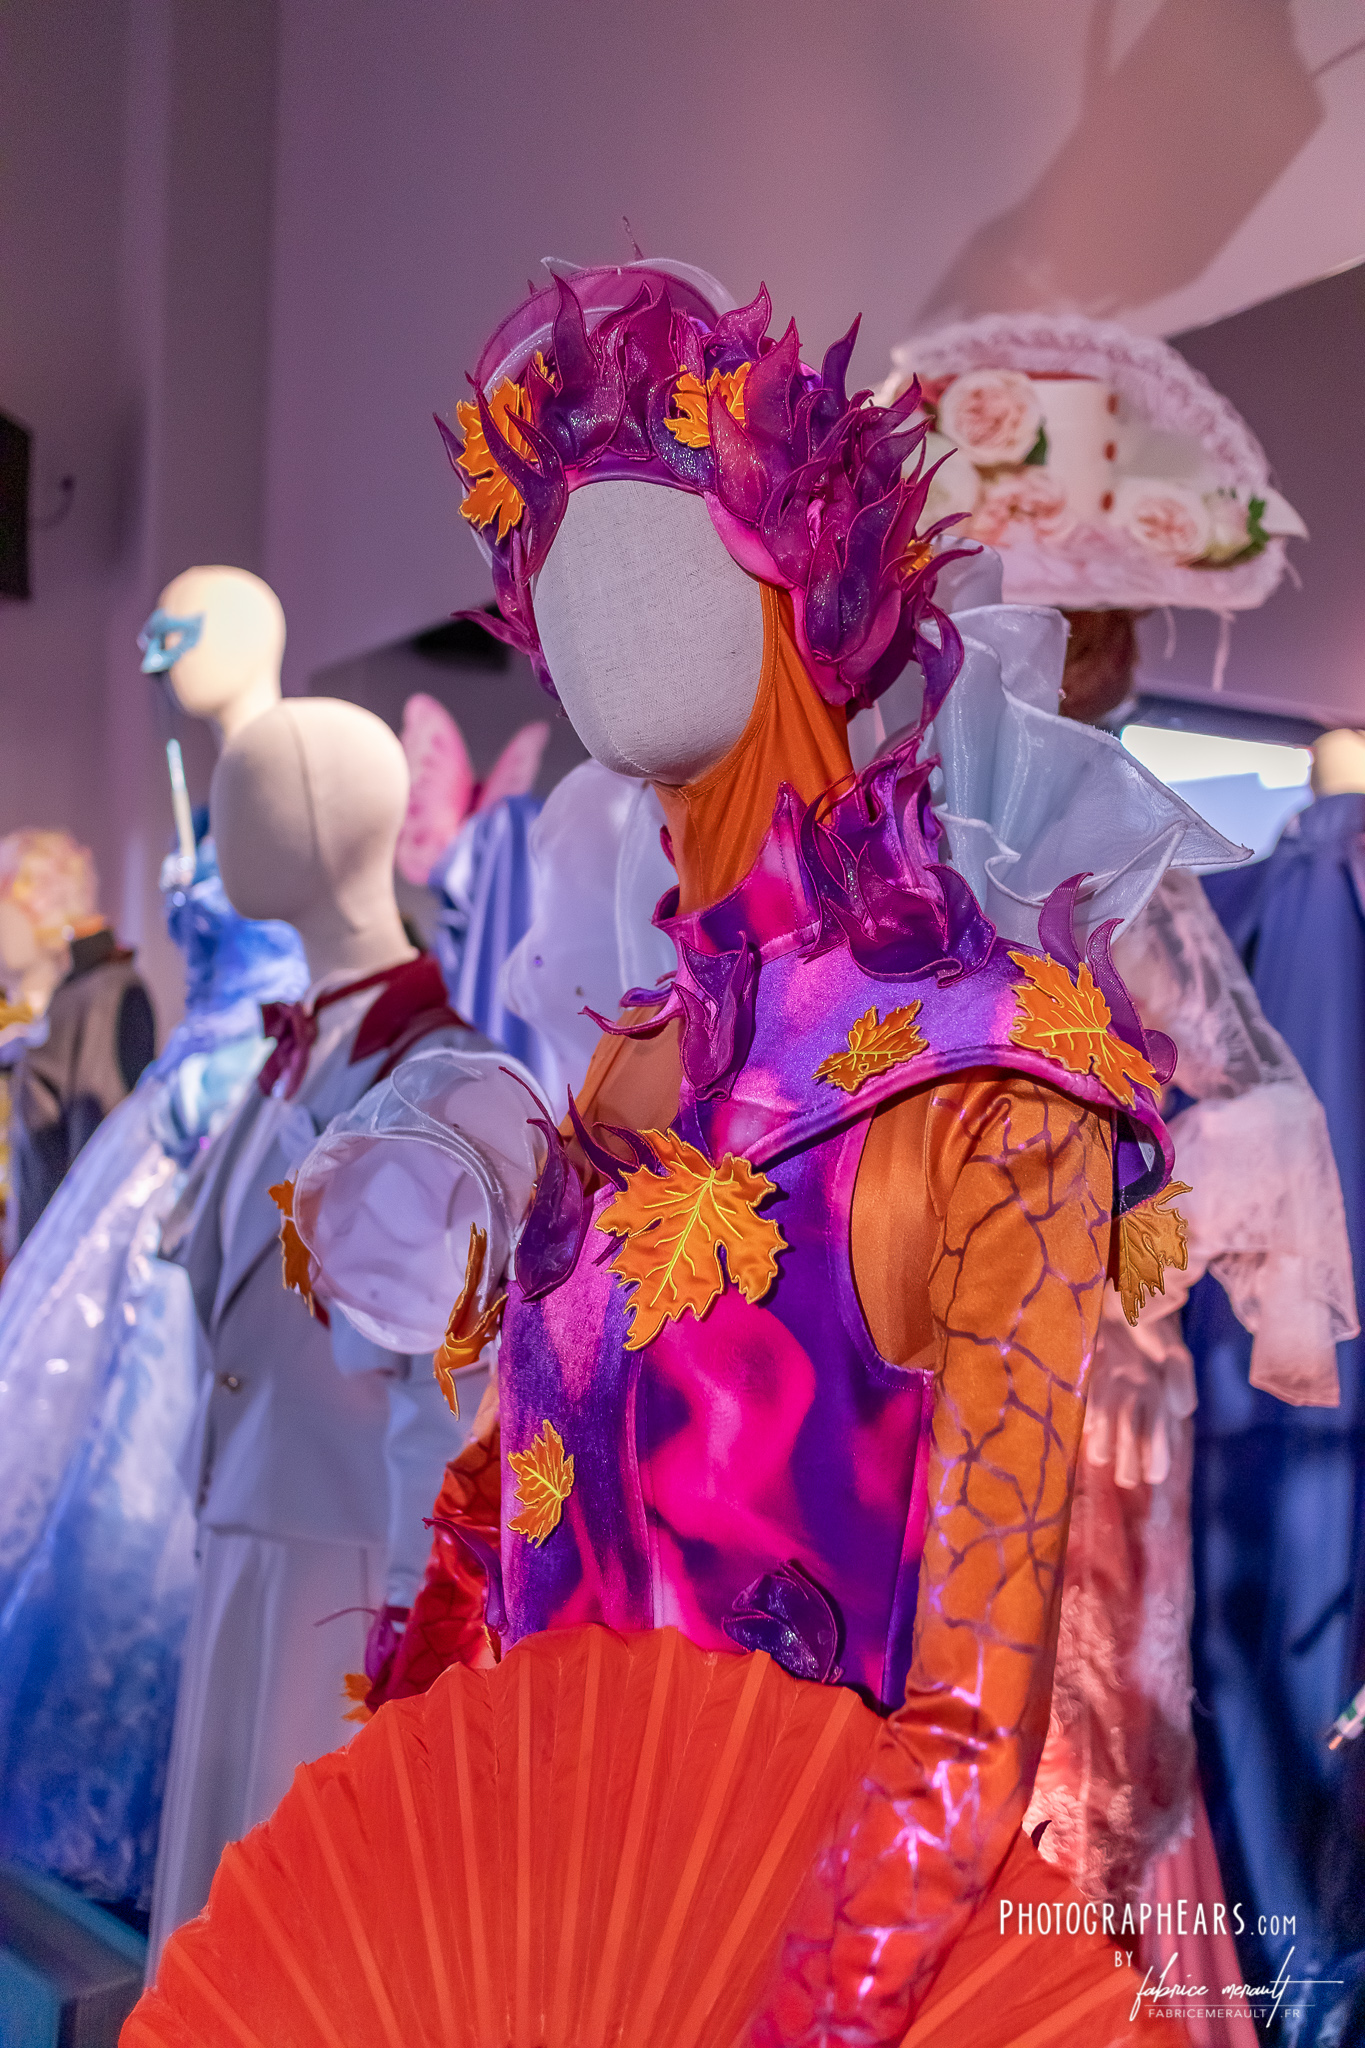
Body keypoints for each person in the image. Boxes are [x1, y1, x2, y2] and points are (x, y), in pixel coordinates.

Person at [133, 261, 1208, 2046]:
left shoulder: (995, 1080)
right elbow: (508, 1526)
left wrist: (808, 2011)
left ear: (816, 585)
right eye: (558, 548)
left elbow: (972, 1720)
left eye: (671, 540)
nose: (586, 589)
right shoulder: (632, 1055)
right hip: (532, 1933)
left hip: (812, 1968)